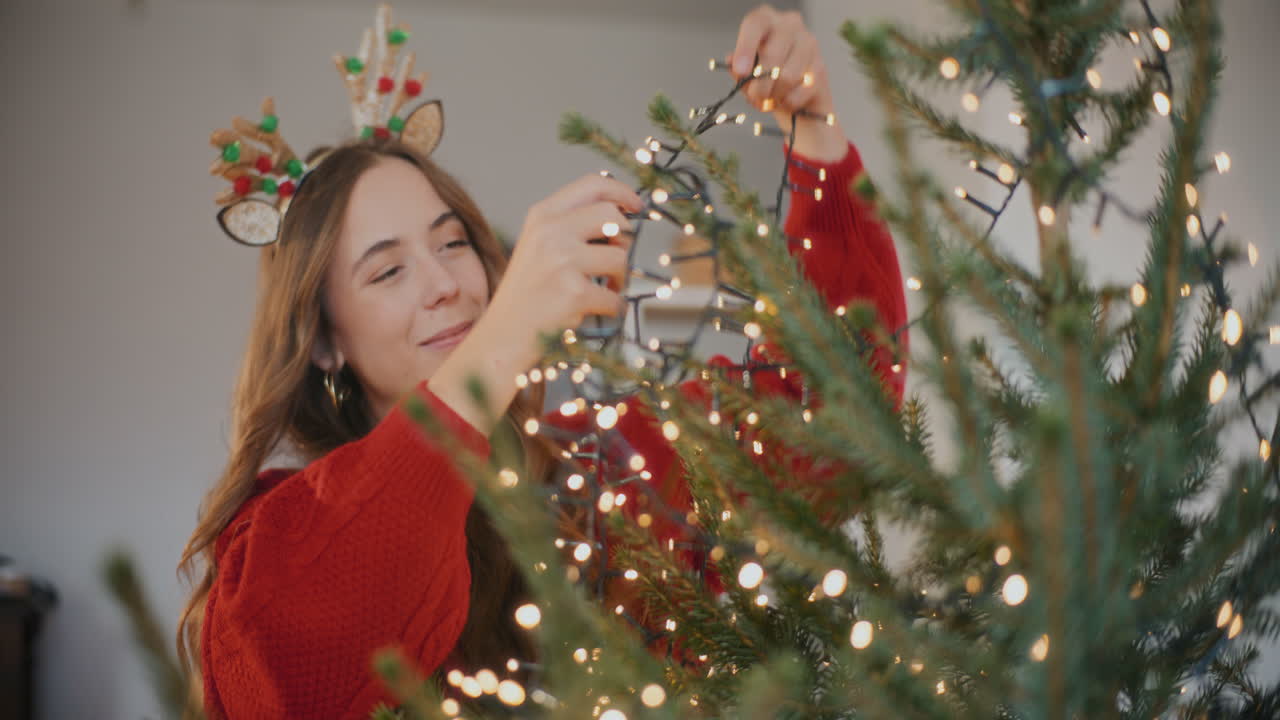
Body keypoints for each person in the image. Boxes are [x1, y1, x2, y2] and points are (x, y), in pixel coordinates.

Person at [177, 5, 908, 718]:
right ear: (323, 341)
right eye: (387, 271)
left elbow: (834, 416)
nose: (444, 284)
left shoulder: (606, 473)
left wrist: (813, 128)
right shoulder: (280, 545)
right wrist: (501, 339)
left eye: (452, 242)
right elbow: (299, 673)